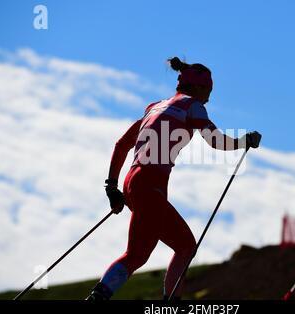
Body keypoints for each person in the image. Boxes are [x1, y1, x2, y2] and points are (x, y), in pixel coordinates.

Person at [86, 57, 262, 300]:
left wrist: (112, 187)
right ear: (198, 88)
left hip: (132, 181)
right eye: (208, 91)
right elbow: (215, 140)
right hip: (151, 184)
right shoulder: (193, 106)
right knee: (147, 253)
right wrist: (244, 141)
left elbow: (121, 144)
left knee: (174, 247)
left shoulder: (154, 106)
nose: (209, 98)